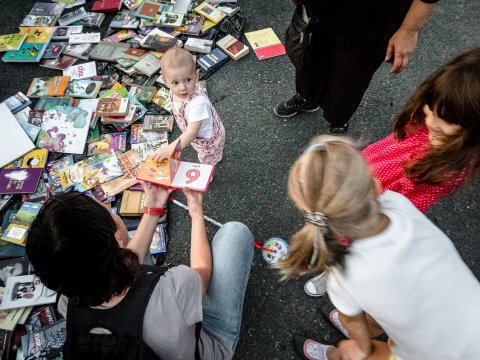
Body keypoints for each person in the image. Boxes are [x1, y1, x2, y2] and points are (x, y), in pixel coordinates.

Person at [278, 135, 480, 360]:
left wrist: (362, 348)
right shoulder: (398, 203)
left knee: (356, 352)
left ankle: (337, 355)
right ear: (375, 185)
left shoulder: (344, 274)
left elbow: (352, 320)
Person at [304, 47, 480, 297]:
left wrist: (362, 203)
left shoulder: (446, 171)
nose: (431, 124)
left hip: (369, 208)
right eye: (431, 110)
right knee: (330, 224)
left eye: (445, 125)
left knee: (348, 241)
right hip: (362, 182)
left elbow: (403, 208)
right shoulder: (427, 121)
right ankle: (325, 250)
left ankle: (335, 270)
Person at [26, 183, 254, 359]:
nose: (110, 208)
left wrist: (154, 209)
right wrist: (196, 214)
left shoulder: (70, 298)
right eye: (107, 209)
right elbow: (202, 271)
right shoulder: (173, 287)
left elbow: (121, 259)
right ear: (117, 239)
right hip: (204, 347)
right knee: (235, 233)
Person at [274, 0, 438, 133]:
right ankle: (306, 99)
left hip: (373, 21)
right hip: (318, 11)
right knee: (309, 59)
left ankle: (338, 119)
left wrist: (409, 30)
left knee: (351, 77)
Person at [153, 47, 225, 165]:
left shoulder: (197, 104)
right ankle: (216, 156)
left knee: (207, 161)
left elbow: (191, 133)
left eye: (187, 80)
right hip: (200, 137)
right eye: (175, 82)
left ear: (196, 76)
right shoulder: (174, 92)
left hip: (208, 141)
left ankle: (209, 171)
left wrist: (169, 148)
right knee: (211, 154)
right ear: (165, 81)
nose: (182, 87)